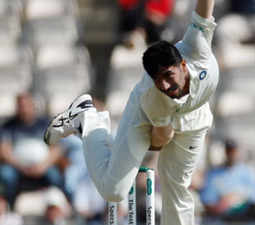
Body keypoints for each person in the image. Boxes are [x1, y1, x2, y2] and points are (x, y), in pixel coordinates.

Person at [44, 0, 219, 224]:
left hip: (194, 117)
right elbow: (160, 139)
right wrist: (140, 157)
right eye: (158, 80)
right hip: (149, 118)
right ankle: (88, 118)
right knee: (114, 191)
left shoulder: (197, 48)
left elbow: (204, 9)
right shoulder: (153, 96)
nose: (165, 85)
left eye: (168, 75)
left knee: (178, 186)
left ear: (183, 65)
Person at [0, 92, 65, 209]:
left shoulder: (45, 124)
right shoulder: (8, 126)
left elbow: (57, 149)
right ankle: (10, 208)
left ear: (33, 106)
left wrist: (43, 166)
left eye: (26, 105)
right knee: (6, 175)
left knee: (55, 177)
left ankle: (59, 209)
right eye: (21, 106)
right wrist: (21, 166)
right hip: (17, 167)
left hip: (43, 166)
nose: (24, 109)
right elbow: (4, 151)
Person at [199, 139, 255, 223]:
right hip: (221, 218)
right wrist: (223, 203)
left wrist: (238, 196)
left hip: (244, 218)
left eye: (234, 150)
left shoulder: (250, 173)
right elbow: (208, 201)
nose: (232, 153)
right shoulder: (213, 174)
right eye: (229, 150)